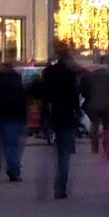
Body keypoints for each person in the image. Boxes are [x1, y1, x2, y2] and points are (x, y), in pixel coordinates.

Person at [37, 45, 85, 199]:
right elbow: (74, 96)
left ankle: (45, 184)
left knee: (51, 150)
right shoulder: (70, 74)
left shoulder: (48, 72)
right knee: (64, 153)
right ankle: (60, 187)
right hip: (66, 115)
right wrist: (77, 113)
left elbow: (43, 93)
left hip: (52, 114)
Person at [0, 54, 29, 182]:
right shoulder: (17, 79)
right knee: (14, 144)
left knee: (8, 144)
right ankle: (14, 168)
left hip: (4, 115)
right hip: (17, 115)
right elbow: (22, 98)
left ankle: (13, 169)